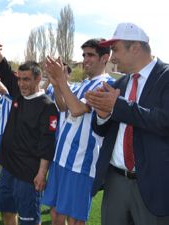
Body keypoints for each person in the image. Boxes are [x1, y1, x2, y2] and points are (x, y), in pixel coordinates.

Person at [85, 23, 169, 225]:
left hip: (153, 184)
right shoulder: (119, 84)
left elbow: (164, 122)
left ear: (135, 48)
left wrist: (118, 106)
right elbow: (102, 129)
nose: (112, 57)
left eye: (115, 49)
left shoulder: (166, 77)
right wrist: (103, 115)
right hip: (116, 182)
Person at [0, 29, 58, 225]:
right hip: (8, 167)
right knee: (6, 211)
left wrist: (42, 172)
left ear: (37, 79)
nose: (21, 83)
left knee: (28, 220)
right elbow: (3, 69)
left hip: (28, 173)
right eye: (20, 79)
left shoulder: (47, 106)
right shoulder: (18, 93)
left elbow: (47, 142)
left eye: (26, 79)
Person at [42, 39, 114, 225]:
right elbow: (63, 106)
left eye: (90, 55)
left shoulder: (108, 85)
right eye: (84, 55)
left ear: (105, 58)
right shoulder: (83, 84)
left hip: (81, 163)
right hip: (61, 158)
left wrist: (61, 80)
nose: (85, 59)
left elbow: (78, 109)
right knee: (56, 214)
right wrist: (57, 84)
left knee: (74, 220)